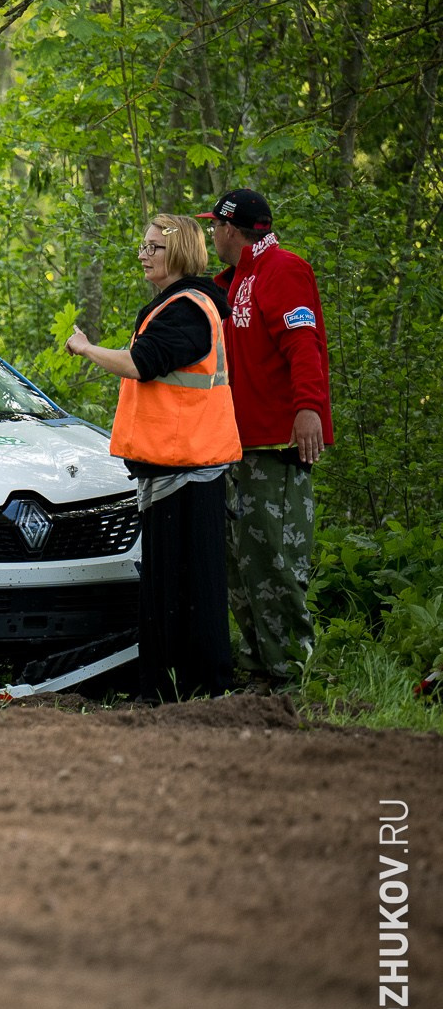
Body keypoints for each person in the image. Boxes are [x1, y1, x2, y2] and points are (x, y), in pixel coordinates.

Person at [66, 215, 240, 701]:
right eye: (143, 246)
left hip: (187, 468)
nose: (143, 254)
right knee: (173, 585)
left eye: (153, 248)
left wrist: (85, 348)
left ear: (180, 253)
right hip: (175, 466)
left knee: (183, 587)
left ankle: (188, 690)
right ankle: (176, 688)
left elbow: (141, 363)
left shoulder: (187, 310)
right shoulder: (178, 305)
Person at [202, 188, 333, 687]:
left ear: (230, 229)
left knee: (276, 560)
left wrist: (307, 410)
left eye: (214, 226)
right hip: (237, 445)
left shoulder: (282, 269)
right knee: (242, 564)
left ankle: (291, 675)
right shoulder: (237, 279)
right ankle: (257, 667)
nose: (212, 234)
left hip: (276, 445)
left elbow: (305, 343)